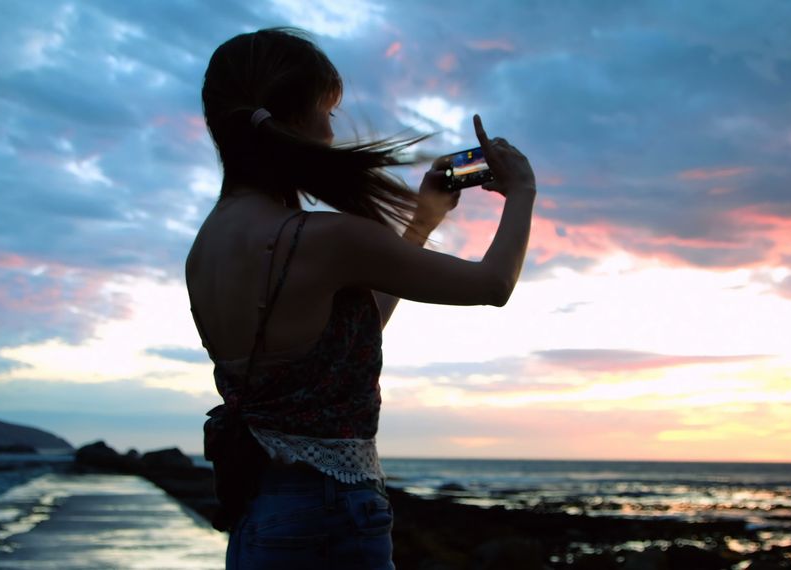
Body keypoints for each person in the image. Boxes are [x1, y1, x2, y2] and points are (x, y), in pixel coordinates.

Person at [184, 27, 536, 569]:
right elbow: (492, 285)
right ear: (295, 120)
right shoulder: (324, 237)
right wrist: (522, 192)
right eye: (327, 112)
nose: (330, 129)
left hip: (259, 513)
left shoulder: (205, 248)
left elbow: (351, 335)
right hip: (332, 514)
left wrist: (421, 223)